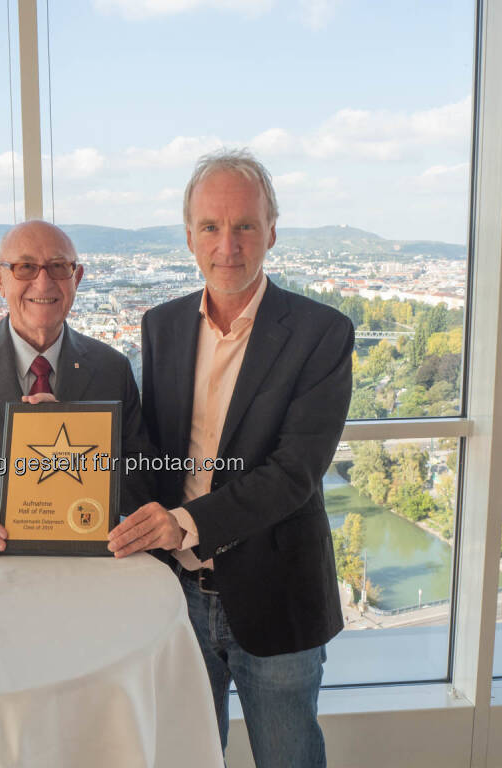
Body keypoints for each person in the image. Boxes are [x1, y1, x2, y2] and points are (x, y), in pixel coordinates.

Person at [108, 149, 354, 767]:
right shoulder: (161, 325)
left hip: (277, 591)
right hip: (177, 593)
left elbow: (295, 473)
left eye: (245, 225)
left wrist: (186, 523)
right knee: (189, 756)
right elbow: (147, 449)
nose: (228, 244)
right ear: (188, 236)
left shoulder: (321, 333)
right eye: (211, 227)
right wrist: (61, 425)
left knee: (288, 757)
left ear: (271, 231)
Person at [0, 219, 154, 555]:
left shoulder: (112, 368)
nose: (43, 282)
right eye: (25, 267)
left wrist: (77, 439)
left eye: (58, 267)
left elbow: (141, 477)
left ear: (77, 278)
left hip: (81, 572)